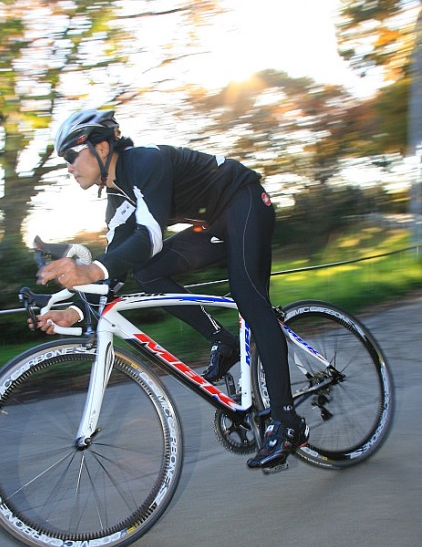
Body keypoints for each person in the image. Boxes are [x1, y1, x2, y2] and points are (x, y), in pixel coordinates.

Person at [33, 108, 309, 470]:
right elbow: (116, 268)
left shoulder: (144, 162)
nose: (69, 166)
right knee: (147, 271)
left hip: (244, 201)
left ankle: (287, 422)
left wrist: (90, 269)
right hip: (211, 223)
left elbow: (150, 235)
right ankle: (224, 341)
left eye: (72, 156)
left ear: (101, 147)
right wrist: (75, 311)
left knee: (249, 298)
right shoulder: (118, 199)